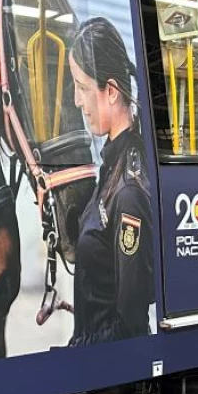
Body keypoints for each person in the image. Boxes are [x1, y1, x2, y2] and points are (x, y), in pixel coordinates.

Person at [67, 17, 153, 347]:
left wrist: (75, 355)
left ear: (112, 92)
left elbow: (128, 328)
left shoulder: (129, 191)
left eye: (83, 87)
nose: (77, 100)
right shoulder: (111, 166)